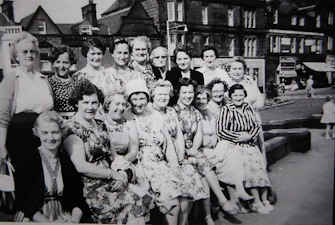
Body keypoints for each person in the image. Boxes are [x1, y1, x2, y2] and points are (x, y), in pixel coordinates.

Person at [63, 80, 150, 224]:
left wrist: (122, 173)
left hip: (112, 180)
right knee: (132, 205)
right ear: (76, 102)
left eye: (94, 103)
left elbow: (114, 156)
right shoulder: (72, 128)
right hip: (90, 187)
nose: (90, 107)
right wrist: (112, 174)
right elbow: (81, 166)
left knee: (140, 203)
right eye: (85, 102)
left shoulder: (101, 125)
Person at [0, 31, 54, 212]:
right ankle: (26, 217)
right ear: (16, 55)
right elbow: (4, 115)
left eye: (32, 51)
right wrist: (2, 146)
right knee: (24, 180)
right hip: (20, 137)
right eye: (24, 52)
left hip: (44, 136)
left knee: (43, 178)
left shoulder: (42, 79)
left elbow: (50, 110)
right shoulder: (12, 78)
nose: (29, 55)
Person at [173, 78, 240, 224]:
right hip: (178, 152)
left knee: (203, 172)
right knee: (202, 165)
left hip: (193, 151)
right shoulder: (174, 111)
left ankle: (210, 214)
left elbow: (198, 135)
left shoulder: (195, 112)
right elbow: (175, 137)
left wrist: (195, 148)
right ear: (178, 93)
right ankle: (221, 202)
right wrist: (187, 152)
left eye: (190, 92)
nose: (187, 96)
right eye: (184, 92)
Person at [123, 79, 190, 225]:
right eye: (134, 99)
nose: (139, 103)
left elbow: (167, 142)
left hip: (160, 163)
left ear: (148, 99)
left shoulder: (155, 115)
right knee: (171, 198)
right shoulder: (126, 116)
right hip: (141, 165)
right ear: (129, 100)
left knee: (184, 197)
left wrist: (174, 165)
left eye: (142, 98)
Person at [14, 111, 89, 223]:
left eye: (55, 132)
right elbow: (24, 202)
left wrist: (74, 220)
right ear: (37, 132)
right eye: (45, 133)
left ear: (62, 132)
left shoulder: (66, 161)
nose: (50, 138)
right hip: (34, 216)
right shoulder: (28, 160)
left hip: (62, 215)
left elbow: (77, 199)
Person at [215, 84, 273, 214]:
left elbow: (256, 125)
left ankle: (264, 200)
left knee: (260, 167)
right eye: (235, 95)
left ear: (244, 95)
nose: (238, 98)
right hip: (235, 145)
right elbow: (221, 131)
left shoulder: (248, 107)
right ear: (230, 96)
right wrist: (239, 137)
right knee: (250, 168)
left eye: (241, 95)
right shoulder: (226, 109)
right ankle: (256, 202)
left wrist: (249, 136)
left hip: (250, 143)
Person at [48, 45, 78, 120]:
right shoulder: (47, 83)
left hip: (74, 121)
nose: (61, 66)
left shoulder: (77, 84)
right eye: (58, 62)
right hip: (55, 122)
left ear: (71, 64)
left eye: (65, 62)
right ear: (53, 63)